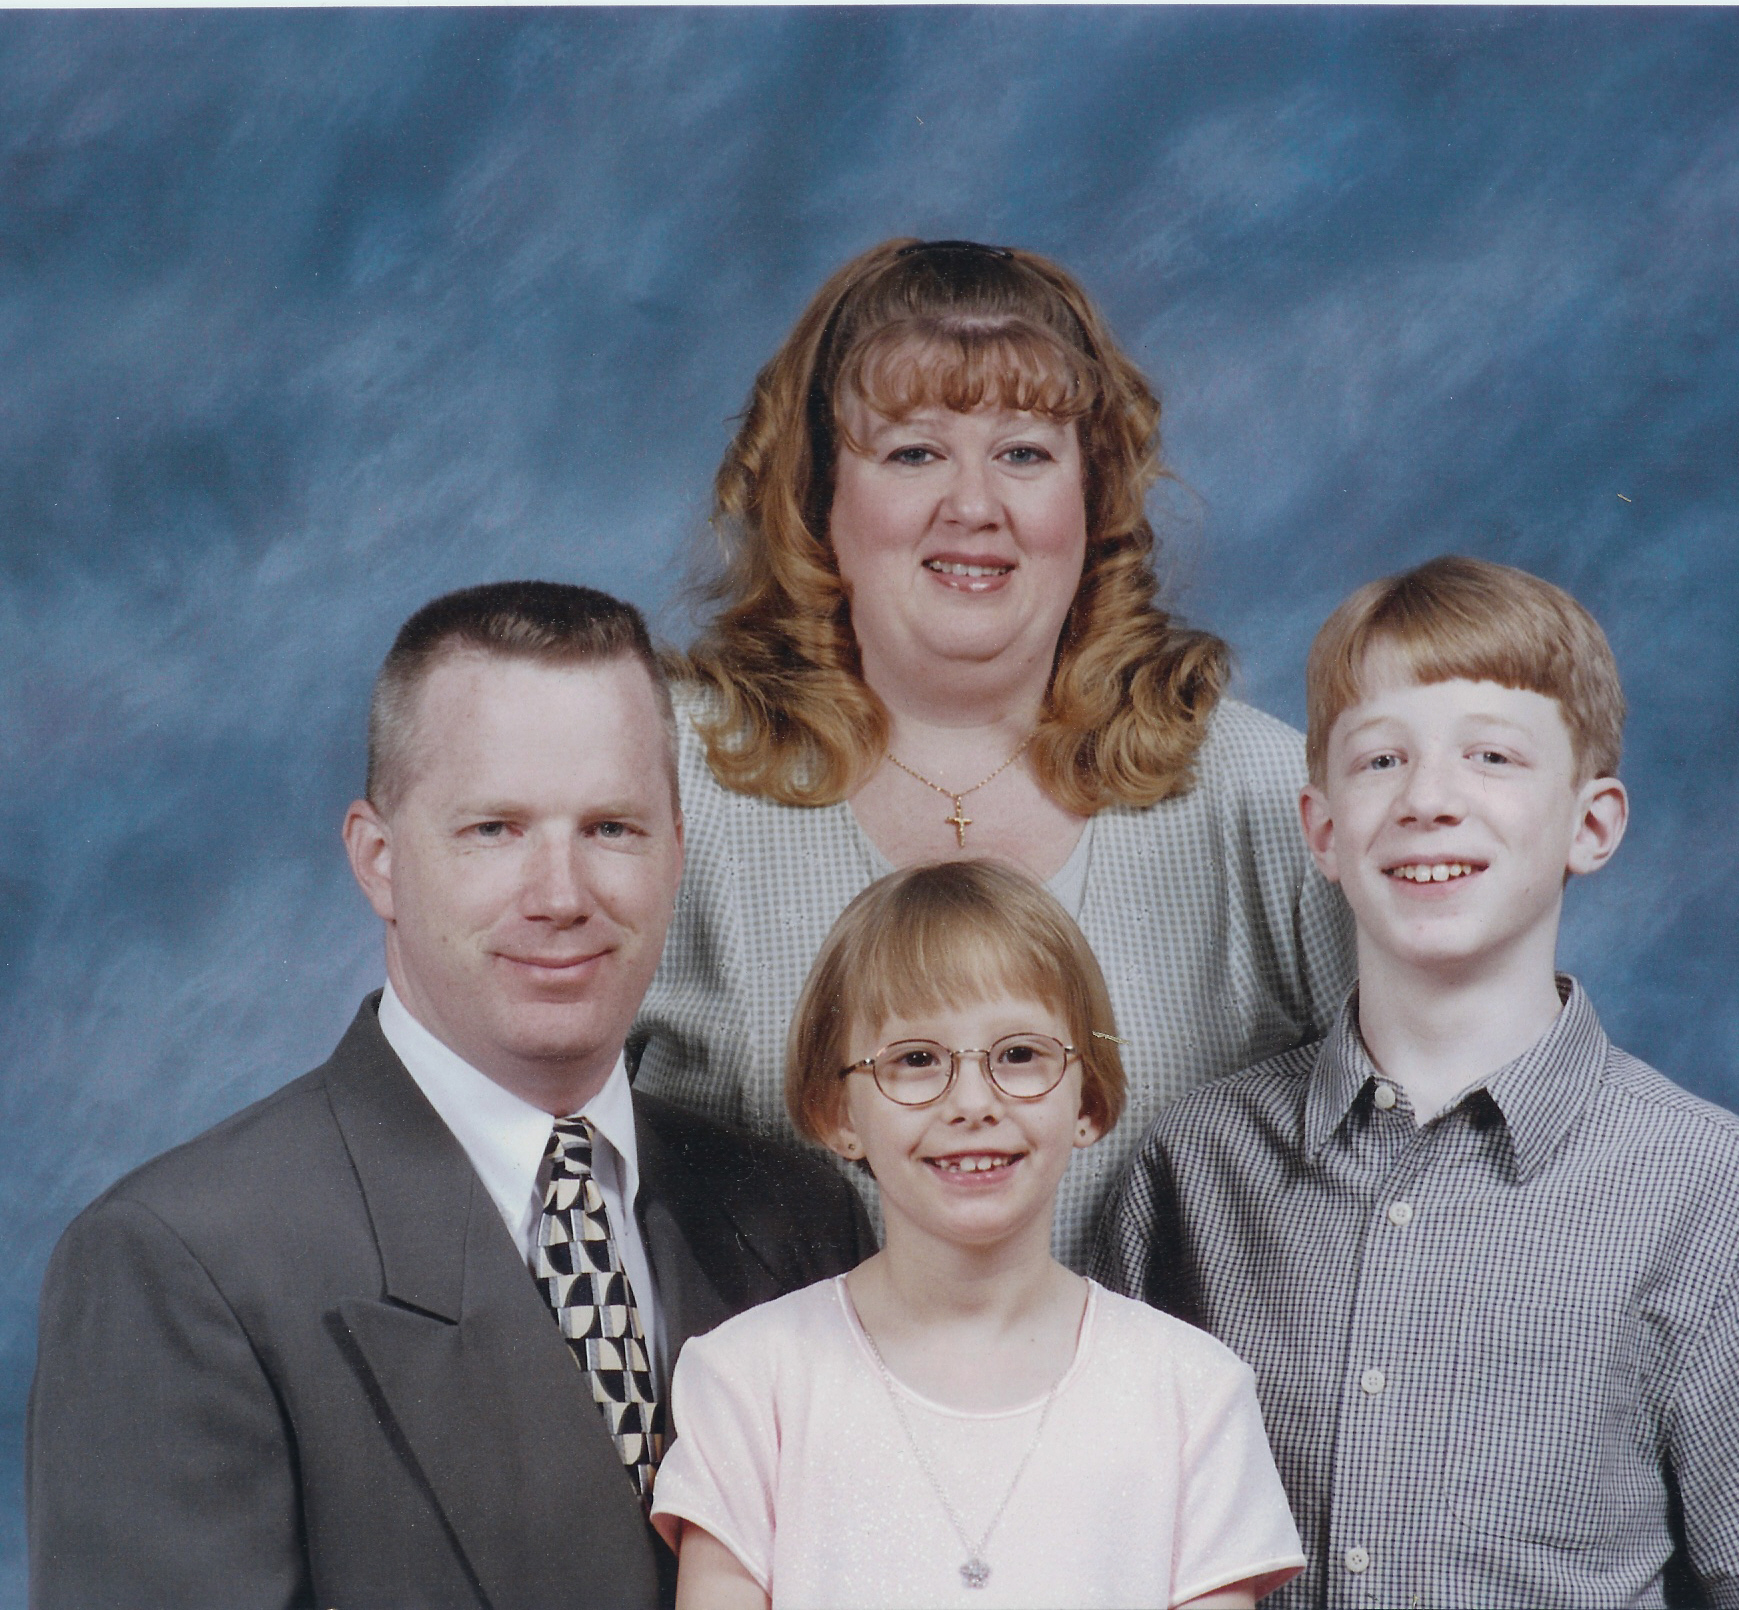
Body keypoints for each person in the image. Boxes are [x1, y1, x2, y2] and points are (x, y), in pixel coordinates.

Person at [1095, 556, 1739, 1609]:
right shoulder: (1199, 1165)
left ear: (1591, 823)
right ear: (1321, 829)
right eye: (1380, 760)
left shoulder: (1702, 1188)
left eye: (1491, 755)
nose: (1429, 799)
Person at [26, 582, 870, 1610]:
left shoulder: (796, 1215)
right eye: (494, 828)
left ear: (676, 853)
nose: (561, 894)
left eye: (611, 827)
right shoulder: (184, 1266)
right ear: (379, 859)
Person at [633, 237, 1353, 1268]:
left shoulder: (1254, 793)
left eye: (1024, 452)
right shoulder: (670, 777)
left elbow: (1425, 1148)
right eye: (914, 451)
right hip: (752, 1424)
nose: (973, 505)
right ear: (816, 494)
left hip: (1161, 1424)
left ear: (1094, 495)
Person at [649, 860, 1306, 1609]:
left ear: (1088, 1097)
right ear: (838, 1111)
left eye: (1019, 1055)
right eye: (916, 1060)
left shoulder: (1192, 1393)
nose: (971, 1102)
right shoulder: (749, 1381)